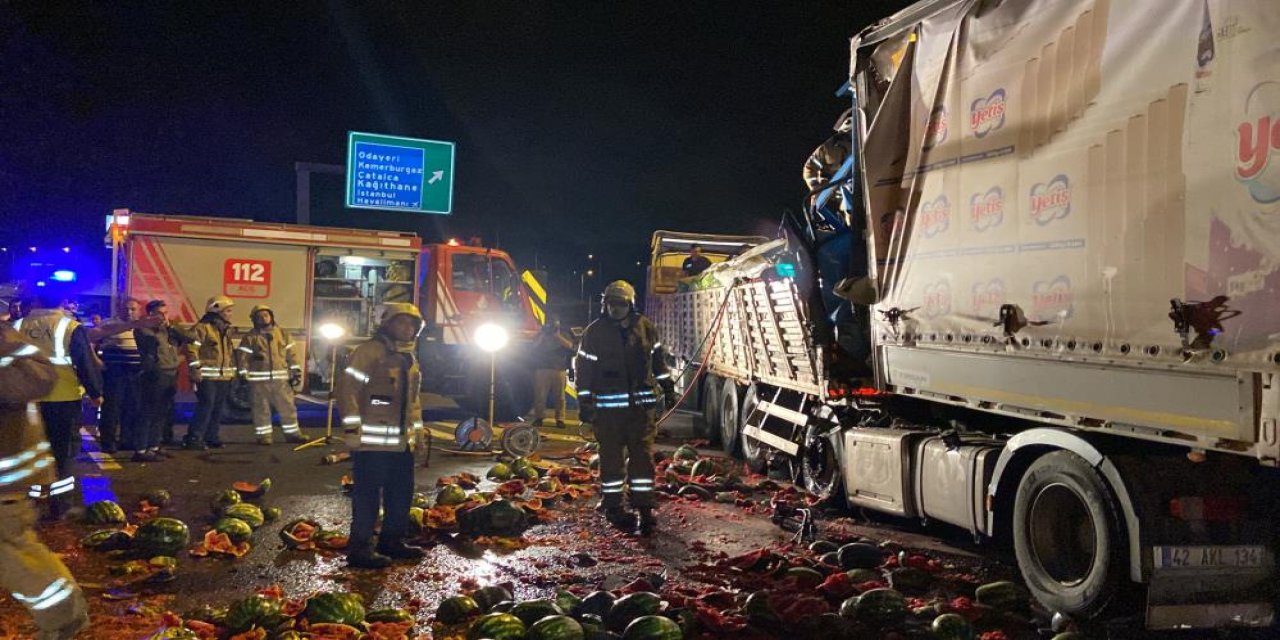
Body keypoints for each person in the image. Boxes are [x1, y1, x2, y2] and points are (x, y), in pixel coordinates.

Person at [0, 326, 91, 639]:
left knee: (10, 553)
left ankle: (64, 619)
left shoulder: (7, 343)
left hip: (4, 482)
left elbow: (36, 378)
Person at [574, 280, 676, 534]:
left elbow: (658, 362)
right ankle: (613, 506)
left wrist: (668, 387)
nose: (615, 309)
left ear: (630, 305)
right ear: (604, 304)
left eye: (620, 304)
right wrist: (585, 402)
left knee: (642, 458)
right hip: (607, 413)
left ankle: (644, 508)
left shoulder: (645, 328)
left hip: (640, 411)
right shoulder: (594, 332)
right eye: (610, 303)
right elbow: (583, 371)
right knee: (611, 459)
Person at [337, 302, 427, 569]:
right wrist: (352, 430)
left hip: (402, 443)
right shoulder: (368, 352)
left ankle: (392, 541)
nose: (407, 328)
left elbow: (413, 401)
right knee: (367, 496)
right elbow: (348, 390)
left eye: (412, 324)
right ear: (387, 324)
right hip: (372, 442)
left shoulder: (409, 358)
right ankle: (360, 548)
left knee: (401, 493)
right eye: (402, 322)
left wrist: (418, 434)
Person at [13, 295, 103, 520]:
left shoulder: (16, 325)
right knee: (64, 454)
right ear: (62, 302)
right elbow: (84, 362)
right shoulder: (70, 326)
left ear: (34, 303)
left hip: (25, 399)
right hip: (62, 397)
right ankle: (60, 507)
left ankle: (29, 501)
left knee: (29, 451)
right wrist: (95, 393)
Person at [132, 300, 193, 461]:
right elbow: (150, 342)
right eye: (160, 313)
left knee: (161, 412)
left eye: (166, 313)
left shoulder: (169, 329)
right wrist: (157, 326)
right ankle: (140, 450)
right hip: (155, 374)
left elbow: (190, 337)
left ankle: (154, 446)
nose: (164, 317)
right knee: (148, 412)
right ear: (151, 314)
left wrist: (171, 327)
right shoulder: (144, 329)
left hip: (171, 373)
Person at [237, 304, 304, 445]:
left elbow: (292, 355)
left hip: (281, 381)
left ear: (271, 317)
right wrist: (243, 374)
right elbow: (243, 358)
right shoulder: (250, 338)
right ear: (254, 319)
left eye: (266, 315)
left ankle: (293, 434)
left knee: (288, 408)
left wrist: (295, 372)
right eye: (259, 316)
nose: (263, 318)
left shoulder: (282, 334)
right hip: (258, 382)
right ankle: (264, 436)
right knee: (261, 409)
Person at [89, 298, 148, 454]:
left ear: (139, 310)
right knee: (112, 408)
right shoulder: (109, 324)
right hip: (115, 371)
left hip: (135, 371)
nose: (129, 312)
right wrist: (97, 361)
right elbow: (90, 342)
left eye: (133, 309)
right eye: (126, 309)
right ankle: (108, 442)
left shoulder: (142, 326)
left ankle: (127, 440)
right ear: (119, 309)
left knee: (132, 407)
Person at [184, 295, 237, 450]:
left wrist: (232, 372)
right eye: (228, 310)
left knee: (217, 408)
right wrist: (195, 369)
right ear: (217, 310)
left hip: (223, 376)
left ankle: (211, 436)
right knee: (206, 406)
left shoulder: (225, 329)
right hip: (206, 376)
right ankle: (194, 437)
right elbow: (191, 349)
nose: (230, 314)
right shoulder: (202, 328)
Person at [529, 315, 573, 428]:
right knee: (540, 396)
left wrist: (557, 336)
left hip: (559, 369)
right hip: (542, 368)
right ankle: (539, 417)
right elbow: (533, 346)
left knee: (560, 397)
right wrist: (543, 335)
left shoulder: (564, 333)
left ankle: (560, 419)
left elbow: (570, 346)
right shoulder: (541, 334)